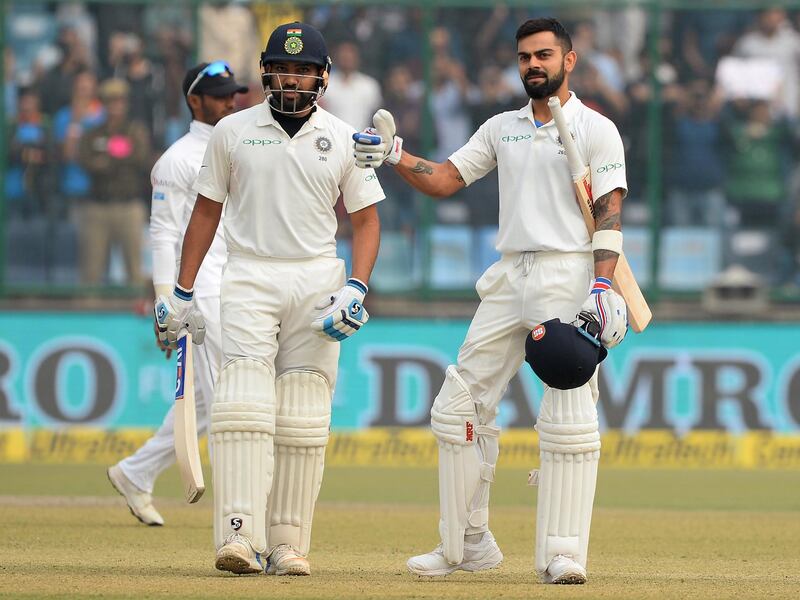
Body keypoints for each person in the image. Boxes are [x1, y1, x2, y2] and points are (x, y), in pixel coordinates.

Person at [353, 17, 628, 584]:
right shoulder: (502, 127)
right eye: (525, 56)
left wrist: (602, 285)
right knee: (457, 409)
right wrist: (396, 157)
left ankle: (563, 552)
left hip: (567, 273)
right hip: (507, 276)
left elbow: (609, 211)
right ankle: (467, 543)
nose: (533, 64)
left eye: (544, 55)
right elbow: (448, 179)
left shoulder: (597, 129)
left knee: (569, 418)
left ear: (568, 61)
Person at [154, 22, 383, 576]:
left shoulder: (345, 138)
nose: (291, 77)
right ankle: (238, 536)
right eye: (283, 67)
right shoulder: (232, 132)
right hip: (249, 275)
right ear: (266, 71)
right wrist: (180, 293)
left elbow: (366, 220)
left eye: (303, 69)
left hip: (316, 279)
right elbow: (204, 212)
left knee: (304, 417)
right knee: (240, 409)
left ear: (322, 77)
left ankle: (286, 544)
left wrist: (356, 286)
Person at [107, 62, 248, 526]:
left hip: (238, 280)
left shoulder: (239, 145)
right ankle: (241, 509)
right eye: (221, 95)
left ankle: (135, 473)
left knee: (210, 400)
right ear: (194, 101)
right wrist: (168, 301)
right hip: (200, 287)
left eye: (234, 94)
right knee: (226, 396)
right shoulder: (177, 159)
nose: (231, 102)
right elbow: (163, 234)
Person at [77, 78, 151, 286]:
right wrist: (119, 156)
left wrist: (107, 159)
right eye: (110, 101)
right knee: (91, 272)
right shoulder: (93, 132)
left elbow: (141, 158)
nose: (115, 106)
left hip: (129, 205)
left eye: (119, 101)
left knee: (135, 272)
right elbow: (85, 161)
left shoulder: (135, 130)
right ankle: (87, 315)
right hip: (97, 206)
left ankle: (136, 317)